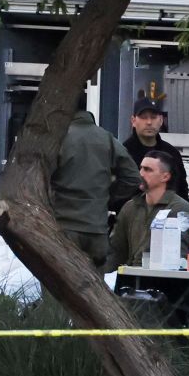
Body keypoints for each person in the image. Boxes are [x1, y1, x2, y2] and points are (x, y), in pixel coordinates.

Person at [50, 96, 141, 270]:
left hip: (64, 226)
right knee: (90, 292)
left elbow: (43, 176)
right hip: (97, 230)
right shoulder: (106, 138)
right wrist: (107, 197)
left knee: (58, 290)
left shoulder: (59, 138)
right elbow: (133, 178)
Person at [107, 149, 189, 272]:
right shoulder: (130, 207)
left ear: (165, 176)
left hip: (163, 280)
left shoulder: (181, 211)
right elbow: (116, 251)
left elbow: (179, 259)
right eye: (141, 168)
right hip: (129, 279)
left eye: (148, 170)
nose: (141, 174)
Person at [124, 97, 185, 202]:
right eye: (143, 117)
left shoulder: (171, 153)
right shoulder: (123, 153)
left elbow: (181, 188)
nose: (149, 122)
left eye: (153, 117)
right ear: (133, 121)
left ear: (161, 120)